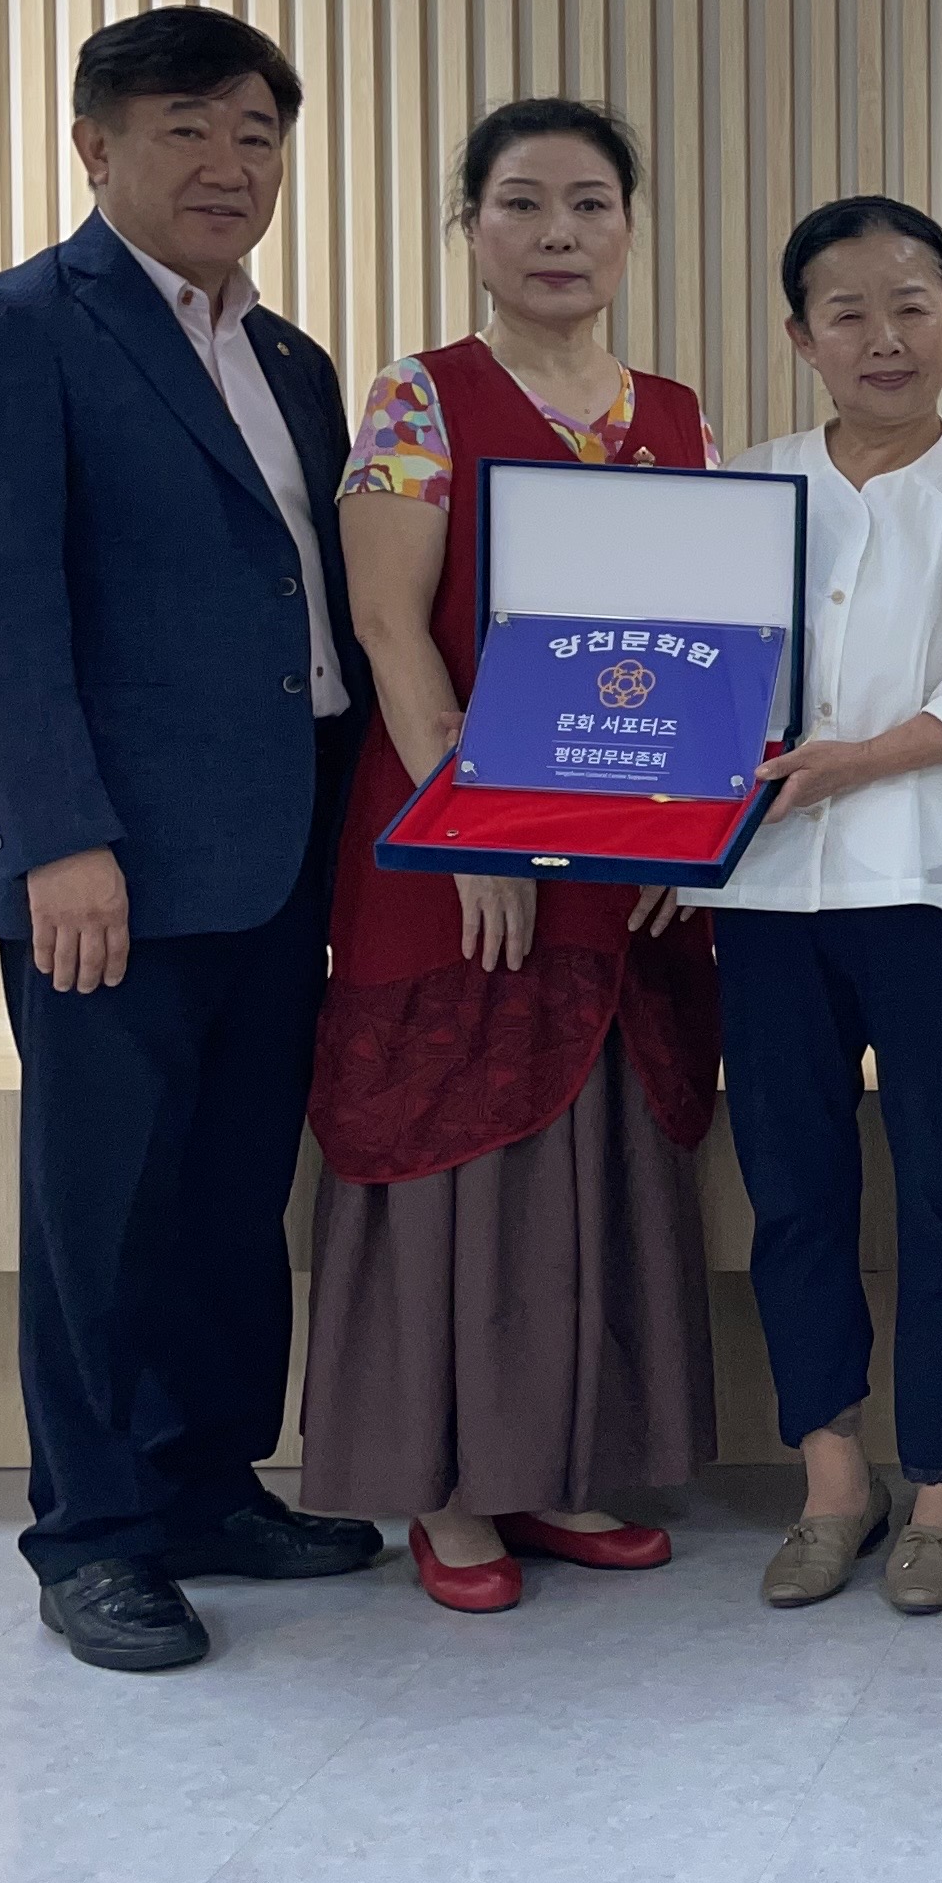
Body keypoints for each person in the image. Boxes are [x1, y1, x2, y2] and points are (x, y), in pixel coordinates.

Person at [0, 4, 385, 1675]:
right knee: (100, 1208)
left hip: (280, 854)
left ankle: (204, 1485)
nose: (229, 163)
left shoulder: (292, 361)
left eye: (257, 132)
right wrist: (58, 840)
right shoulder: (14, 330)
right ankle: (94, 1532)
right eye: (187, 128)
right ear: (94, 147)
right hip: (108, 868)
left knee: (232, 1195)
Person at [298, 98, 723, 1617]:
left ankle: (552, 1465)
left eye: (591, 204)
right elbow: (389, 626)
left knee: (595, 1146)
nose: (559, 234)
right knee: (458, 1147)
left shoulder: (677, 414)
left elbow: (705, 644)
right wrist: (469, 824)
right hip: (452, 835)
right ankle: (445, 1489)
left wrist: (696, 829)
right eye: (523, 203)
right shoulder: (421, 398)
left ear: (629, 230)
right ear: (471, 228)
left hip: (622, 851)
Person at [691, 196, 942, 1619]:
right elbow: (686, 670)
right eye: (845, 312)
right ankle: (832, 1480)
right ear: (801, 338)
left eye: (912, 305)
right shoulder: (748, 487)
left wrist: (859, 759)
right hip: (766, 896)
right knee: (793, 1192)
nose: (883, 336)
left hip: (941, 891)